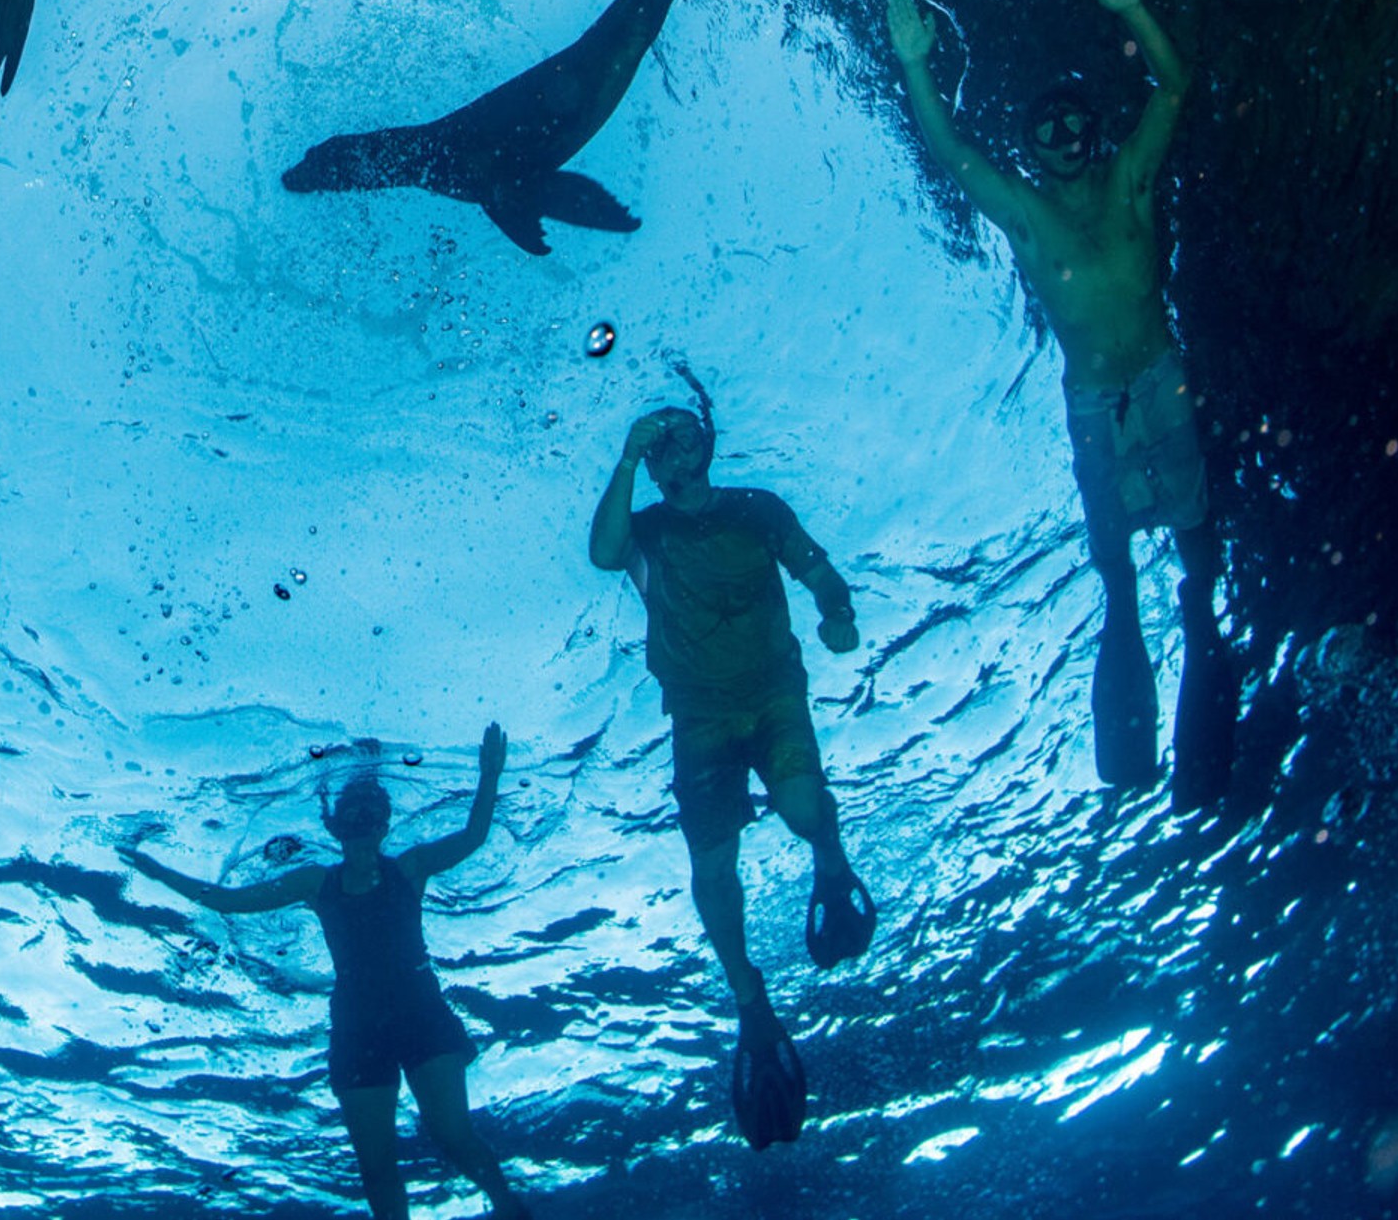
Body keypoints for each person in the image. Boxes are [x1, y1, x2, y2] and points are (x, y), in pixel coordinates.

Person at [883, 0, 1231, 802]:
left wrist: (1134, 9)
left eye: (1075, 125)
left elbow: (1175, 89)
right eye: (1047, 134)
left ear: (1093, 130)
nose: (1065, 142)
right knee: (1114, 566)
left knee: (1194, 537)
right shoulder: (1028, 218)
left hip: (1160, 376)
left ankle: (1198, 612)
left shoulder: (1131, 184)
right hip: (1094, 405)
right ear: (1033, 154)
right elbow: (953, 152)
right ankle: (1134, 630)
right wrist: (916, 64)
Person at [583, 387, 871, 1150]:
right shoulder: (643, 529)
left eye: (683, 431)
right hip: (700, 717)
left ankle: (829, 858)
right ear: (650, 464)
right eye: (659, 441)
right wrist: (621, 454)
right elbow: (603, 553)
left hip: (775, 692)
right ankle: (751, 1000)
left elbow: (815, 566)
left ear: (708, 439)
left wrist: (837, 610)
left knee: (805, 807)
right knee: (713, 866)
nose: (673, 445)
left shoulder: (756, 507)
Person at [126, 729, 536, 1220]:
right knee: (377, 1168)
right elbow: (228, 901)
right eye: (353, 819)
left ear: (384, 824)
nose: (362, 829)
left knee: (453, 1137)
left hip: (422, 1014)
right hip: (359, 1027)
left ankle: (513, 1211)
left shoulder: (412, 867)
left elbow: (473, 837)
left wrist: (489, 776)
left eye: (371, 818)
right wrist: (155, 872)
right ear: (337, 827)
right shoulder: (316, 883)